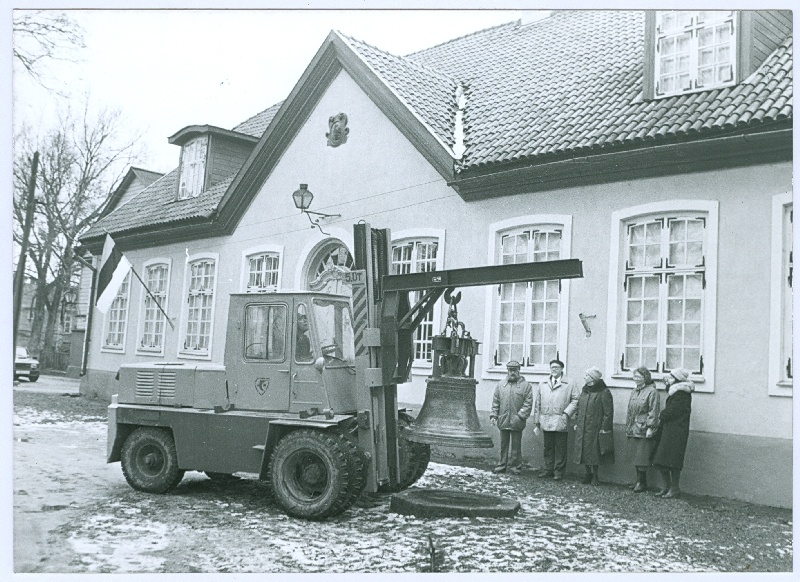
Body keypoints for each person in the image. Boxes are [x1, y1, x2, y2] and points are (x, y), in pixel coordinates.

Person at [651, 368, 694, 499]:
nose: (668, 380)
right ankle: (668, 487)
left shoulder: (681, 394)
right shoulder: (676, 392)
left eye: (670, 377)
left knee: (673, 461)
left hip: (676, 432)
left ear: (677, 380)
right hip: (670, 430)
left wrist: (662, 414)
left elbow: (673, 411)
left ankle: (674, 488)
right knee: (662, 459)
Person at [532, 359, 578, 480]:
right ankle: (549, 469)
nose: (554, 370)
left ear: (562, 369)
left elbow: (576, 400)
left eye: (557, 367)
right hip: (546, 419)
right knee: (548, 447)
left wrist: (566, 413)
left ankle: (559, 471)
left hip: (560, 419)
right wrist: (537, 420)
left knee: (560, 447)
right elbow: (538, 403)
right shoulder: (543, 383)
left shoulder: (570, 383)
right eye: (552, 367)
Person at [490, 360, 533, 474]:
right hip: (503, 419)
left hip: (517, 421)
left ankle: (515, 467)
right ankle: (501, 465)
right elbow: (496, 402)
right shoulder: (500, 385)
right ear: (507, 371)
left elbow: (528, 404)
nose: (512, 372)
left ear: (519, 370)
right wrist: (494, 415)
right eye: (510, 370)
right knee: (503, 445)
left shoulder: (526, 386)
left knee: (516, 446)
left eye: (514, 370)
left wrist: (520, 416)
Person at [573, 367, 614, 485]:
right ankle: (588, 473)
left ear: (593, 378)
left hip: (596, 428)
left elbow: (608, 412)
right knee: (584, 450)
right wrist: (576, 422)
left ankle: (595, 475)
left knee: (595, 452)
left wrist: (604, 428)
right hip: (583, 427)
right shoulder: (585, 391)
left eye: (587, 375)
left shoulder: (604, 392)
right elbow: (578, 408)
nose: (584, 377)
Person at [624, 366, 661, 493]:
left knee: (642, 456)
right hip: (633, 427)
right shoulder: (634, 391)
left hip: (643, 427)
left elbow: (653, 411)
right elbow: (630, 410)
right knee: (636, 455)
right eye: (634, 376)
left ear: (645, 378)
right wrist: (628, 426)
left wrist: (651, 427)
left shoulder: (652, 392)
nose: (636, 379)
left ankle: (642, 482)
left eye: (639, 377)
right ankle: (638, 480)